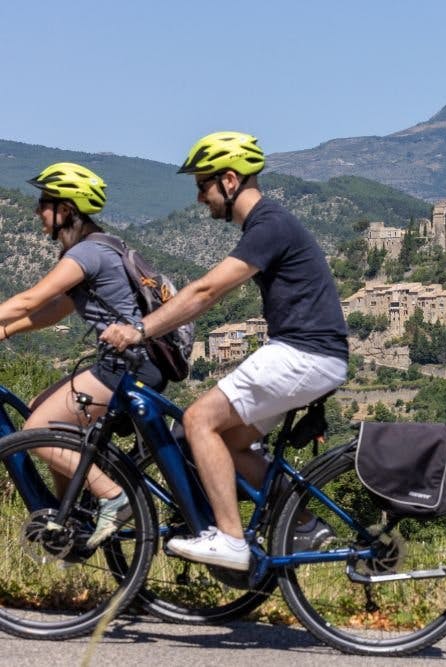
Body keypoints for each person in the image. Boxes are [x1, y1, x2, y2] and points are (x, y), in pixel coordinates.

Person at [101, 131, 350, 571]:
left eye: (203, 185)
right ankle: (305, 524)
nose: (200, 197)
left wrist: (141, 330)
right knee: (226, 445)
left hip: (302, 354)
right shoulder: (269, 223)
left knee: (198, 420)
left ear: (230, 180)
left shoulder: (269, 224)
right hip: (313, 356)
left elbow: (207, 290)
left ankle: (230, 539)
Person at [0, 162, 167, 547]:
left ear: (66, 210)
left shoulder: (87, 254)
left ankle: (113, 496)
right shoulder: (96, 250)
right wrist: (6, 330)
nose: (36, 211)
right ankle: (70, 514)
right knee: (39, 407)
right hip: (132, 362)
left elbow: (30, 298)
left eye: (44, 202)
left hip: (128, 364)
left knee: (37, 433)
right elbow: (54, 310)